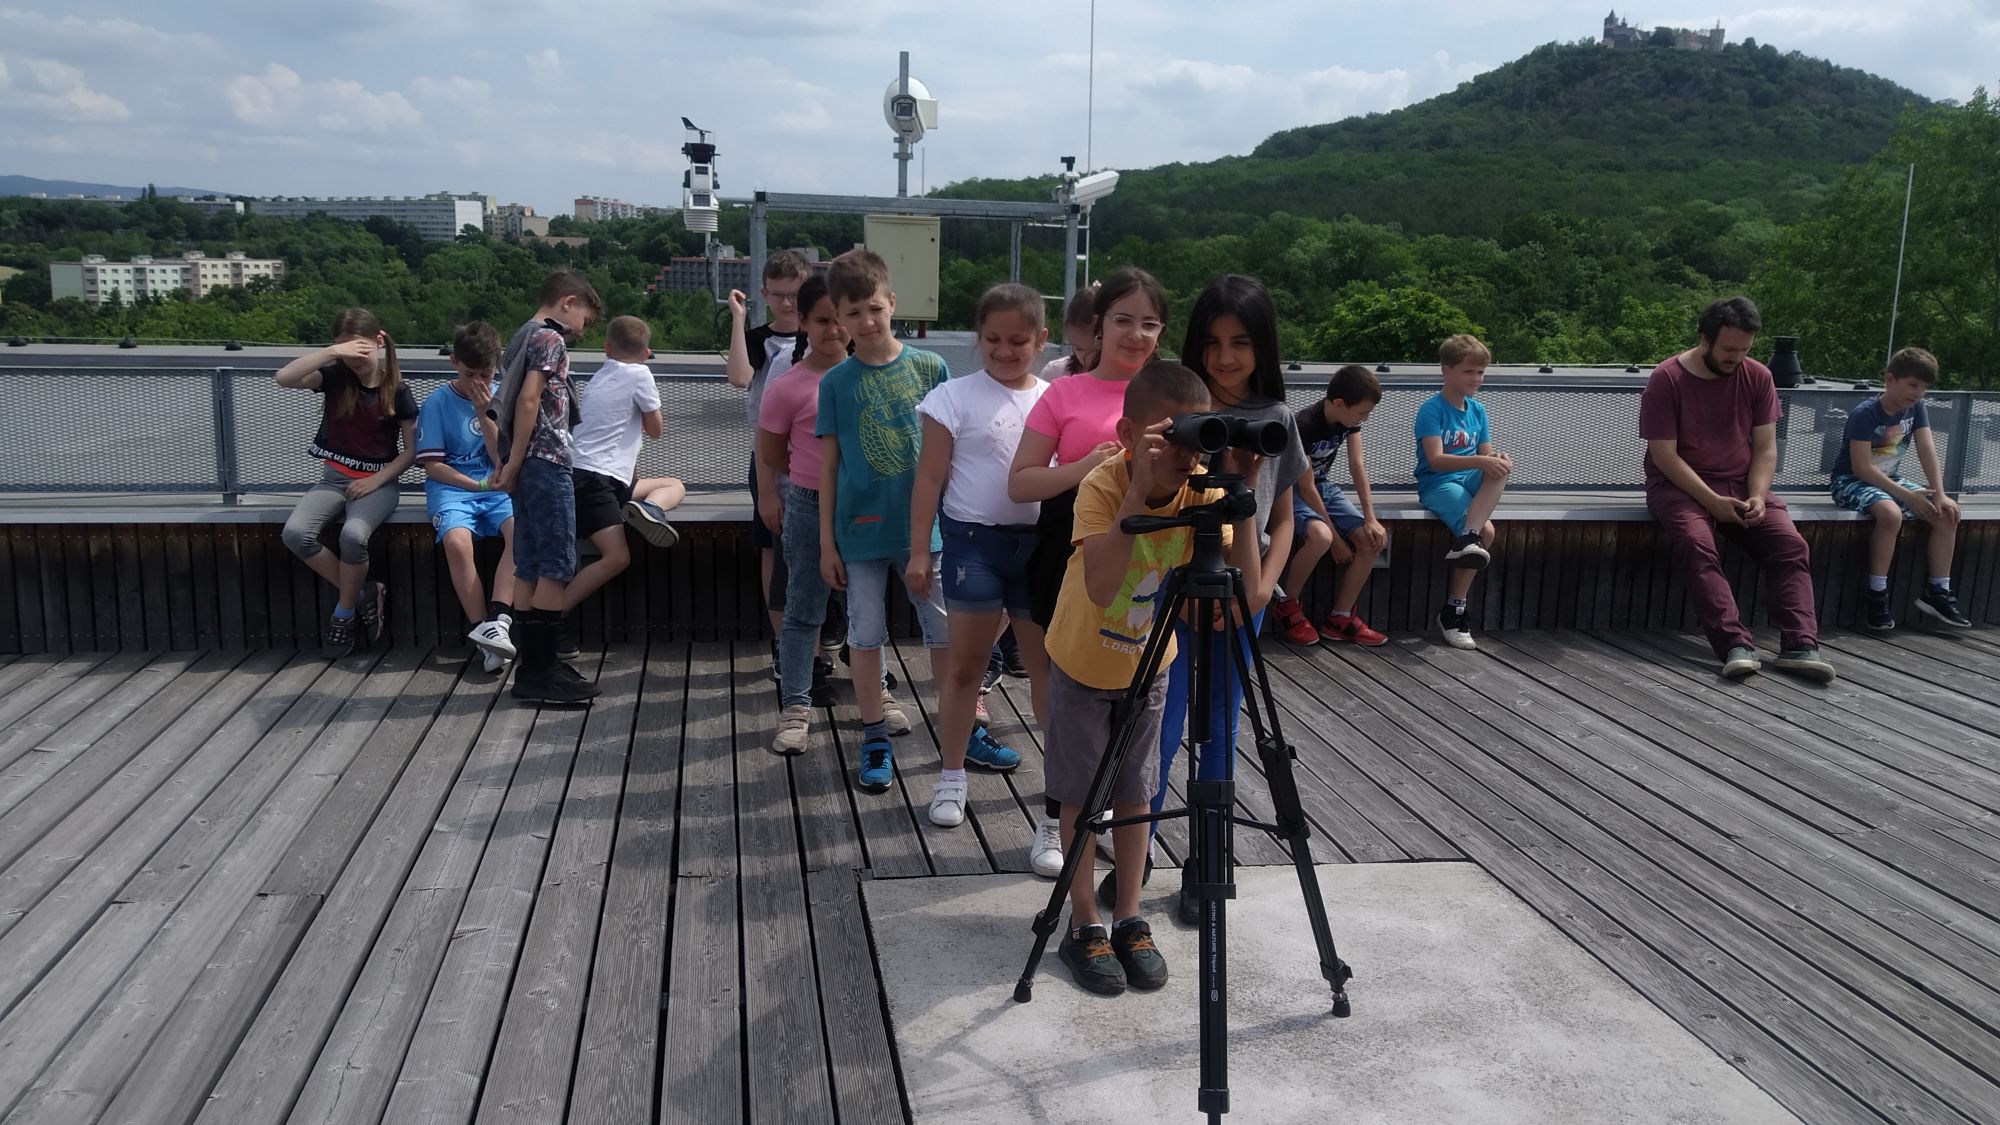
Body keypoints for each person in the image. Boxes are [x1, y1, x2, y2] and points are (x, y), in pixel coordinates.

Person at [1043, 360, 1262, 996]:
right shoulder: (1104, 484)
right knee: (1081, 796)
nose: (1188, 454)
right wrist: (1137, 489)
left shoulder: (1201, 491)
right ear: (1129, 434)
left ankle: (1129, 916)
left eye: (1198, 436)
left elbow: (1244, 596)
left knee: (1138, 795)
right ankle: (1084, 921)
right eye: (1173, 436)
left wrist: (1243, 495)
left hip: (1149, 663)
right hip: (1083, 663)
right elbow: (1103, 585)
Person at [1125, 275, 1304, 917]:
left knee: (1221, 726)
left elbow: (1285, 518)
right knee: (1159, 722)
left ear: (1264, 346)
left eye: (1241, 343)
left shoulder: (1276, 420)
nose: (1226, 357)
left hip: (1239, 594)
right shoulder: (1176, 408)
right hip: (1173, 593)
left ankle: (1209, 853)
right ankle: (1138, 850)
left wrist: (1259, 591)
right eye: (1213, 342)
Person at [1008, 266, 1169, 878]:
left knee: (1139, 693)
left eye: (1149, 323)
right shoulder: (1064, 393)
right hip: (1068, 552)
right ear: (1098, 327)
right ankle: (1056, 816)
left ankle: (1118, 820)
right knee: (1064, 688)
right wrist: (1086, 468)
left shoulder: (1175, 391)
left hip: (1152, 564)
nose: (1135, 334)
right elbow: (1021, 482)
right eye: (1123, 320)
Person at [906, 283, 1048, 827]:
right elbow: (930, 478)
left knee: (1044, 671)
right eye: (992, 339)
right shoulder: (952, 396)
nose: (1004, 351)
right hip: (972, 544)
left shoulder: (1053, 398)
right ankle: (951, 775)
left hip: (1039, 548)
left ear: (1041, 339)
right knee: (965, 667)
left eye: (1018, 341)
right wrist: (921, 551)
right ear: (978, 337)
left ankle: (1061, 792)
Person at [1641, 296, 1834, 681]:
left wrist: (1759, 496)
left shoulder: (1758, 376)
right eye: (1729, 349)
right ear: (1704, 338)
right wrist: (1712, 501)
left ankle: (1800, 645)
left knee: (1790, 545)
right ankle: (1734, 644)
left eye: (1745, 350)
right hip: (1679, 485)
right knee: (1698, 543)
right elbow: (1664, 455)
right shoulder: (1667, 378)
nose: (1737, 358)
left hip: (1742, 483)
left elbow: (1765, 448)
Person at [816, 249, 951, 793]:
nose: (867, 321)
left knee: (945, 634)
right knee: (865, 636)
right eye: (853, 313)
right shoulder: (835, 383)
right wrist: (827, 543)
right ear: (839, 317)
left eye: (874, 308)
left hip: (929, 531)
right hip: (859, 533)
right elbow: (828, 467)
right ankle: (874, 736)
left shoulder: (931, 368)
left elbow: (952, 453)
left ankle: (962, 728)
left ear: (893, 302)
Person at [275, 307, 418, 659]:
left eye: (359, 347)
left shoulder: (397, 390)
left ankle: (343, 613)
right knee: (295, 533)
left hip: (378, 484)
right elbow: (284, 378)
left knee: (353, 536)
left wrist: (375, 481)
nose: (353, 357)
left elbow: (412, 452)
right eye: (346, 349)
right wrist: (331, 353)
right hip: (333, 480)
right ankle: (365, 592)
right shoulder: (335, 377)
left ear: (378, 341)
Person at [492, 270, 605, 703]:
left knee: (530, 563)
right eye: (585, 320)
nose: (583, 331)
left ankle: (532, 668)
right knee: (557, 564)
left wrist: (511, 461)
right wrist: (518, 459)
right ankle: (542, 670)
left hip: (526, 465)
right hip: (546, 460)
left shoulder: (522, 335)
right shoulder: (550, 338)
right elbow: (528, 399)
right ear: (568, 301)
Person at [762, 275, 855, 753]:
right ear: (802, 322)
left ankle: (876, 693)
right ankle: (796, 706)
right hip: (809, 504)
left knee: (865, 606)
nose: (835, 330)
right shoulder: (788, 386)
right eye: (822, 320)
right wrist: (800, 480)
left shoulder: (869, 376)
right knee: (803, 609)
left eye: (843, 319)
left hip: (863, 507)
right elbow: (771, 452)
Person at [1829, 346, 1970, 630]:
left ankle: (1938, 591)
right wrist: (1906, 495)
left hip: (1889, 479)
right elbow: (1861, 468)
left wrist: (1940, 493)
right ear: (1890, 380)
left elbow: (1926, 448)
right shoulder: (1866, 413)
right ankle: (1877, 594)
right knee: (1890, 514)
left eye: (1924, 388)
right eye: (1913, 385)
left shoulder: (1916, 408)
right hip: (1850, 481)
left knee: (1946, 513)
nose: (1918, 393)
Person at [561, 315, 683, 624]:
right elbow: (656, 430)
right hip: (595, 480)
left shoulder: (600, 376)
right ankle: (554, 616)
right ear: (646, 353)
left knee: (674, 485)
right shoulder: (641, 374)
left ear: (607, 348)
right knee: (617, 557)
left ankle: (649, 509)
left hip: (592, 475)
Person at [414, 321, 517, 673]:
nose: (478, 383)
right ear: (454, 363)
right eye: (470, 374)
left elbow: (501, 456)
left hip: (496, 484)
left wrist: (484, 413)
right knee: (457, 542)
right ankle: (482, 631)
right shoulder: (437, 403)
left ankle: (498, 621)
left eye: (485, 375)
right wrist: (475, 487)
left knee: (521, 532)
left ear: (496, 367)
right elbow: (433, 466)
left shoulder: (502, 397)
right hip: (453, 487)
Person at [728, 249, 815, 648]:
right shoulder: (760, 340)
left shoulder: (824, 336)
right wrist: (739, 320)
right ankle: (783, 639)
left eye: (794, 294)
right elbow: (740, 377)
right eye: (778, 295)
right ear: (764, 294)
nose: (787, 303)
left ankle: (821, 635)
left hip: (814, 456)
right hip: (769, 455)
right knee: (772, 544)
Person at [1271, 364, 1388, 646]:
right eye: (1362, 412)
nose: (1366, 418)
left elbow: (1357, 465)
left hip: (1323, 487)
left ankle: (1340, 618)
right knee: (1321, 537)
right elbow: (1305, 487)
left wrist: (1370, 518)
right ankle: (1287, 604)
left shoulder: (1349, 421)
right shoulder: (1304, 425)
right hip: (1291, 490)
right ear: (1338, 403)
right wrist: (1336, 539)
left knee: (1371, 540)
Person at [1415, 334, 1511, 651]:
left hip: (1468, 478)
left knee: (1500, 467)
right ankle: (1454, 611)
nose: (1476, 378)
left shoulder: (1478, 410)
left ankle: (1467, 536)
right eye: (1469, 371)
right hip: (1438, 482)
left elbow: (1485, 456)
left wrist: (1495, 458)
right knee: (1487, 532)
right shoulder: (1432, 410)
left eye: (1481, 372)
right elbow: (1435, 460)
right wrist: (1482, 461)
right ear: (1447, 370)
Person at [1038, 284, 1100, 382]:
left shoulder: (1124, 377)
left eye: (1099, 351)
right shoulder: (1055, 373)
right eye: (1078, 349)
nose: (1089, 359)